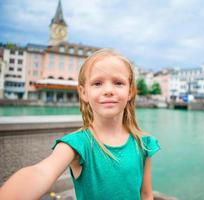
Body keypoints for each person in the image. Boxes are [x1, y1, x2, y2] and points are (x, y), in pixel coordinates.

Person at [0, 49, 160, 200]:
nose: (108, 90)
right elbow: (40, 172)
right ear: (84, 93)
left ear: (130, 92)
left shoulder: (143, 143)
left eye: (118, 83)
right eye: (97, 83)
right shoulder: (77, 144)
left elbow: (146, 195)